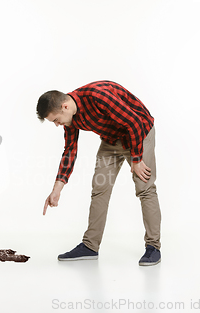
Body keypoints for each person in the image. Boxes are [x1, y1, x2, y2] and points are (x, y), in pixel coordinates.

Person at [36, 80, 161, 266]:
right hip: (111, 140)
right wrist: (57, 189)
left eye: (55, 120)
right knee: (99, 188)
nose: (56, 125)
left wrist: (136, 159)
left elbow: (134, 122)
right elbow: (70, 150)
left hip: (139, 133)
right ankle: (90, 246)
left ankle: (153, 247)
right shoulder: (69, 119)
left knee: (145, 188)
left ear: (65, 106)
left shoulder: (98, 96)